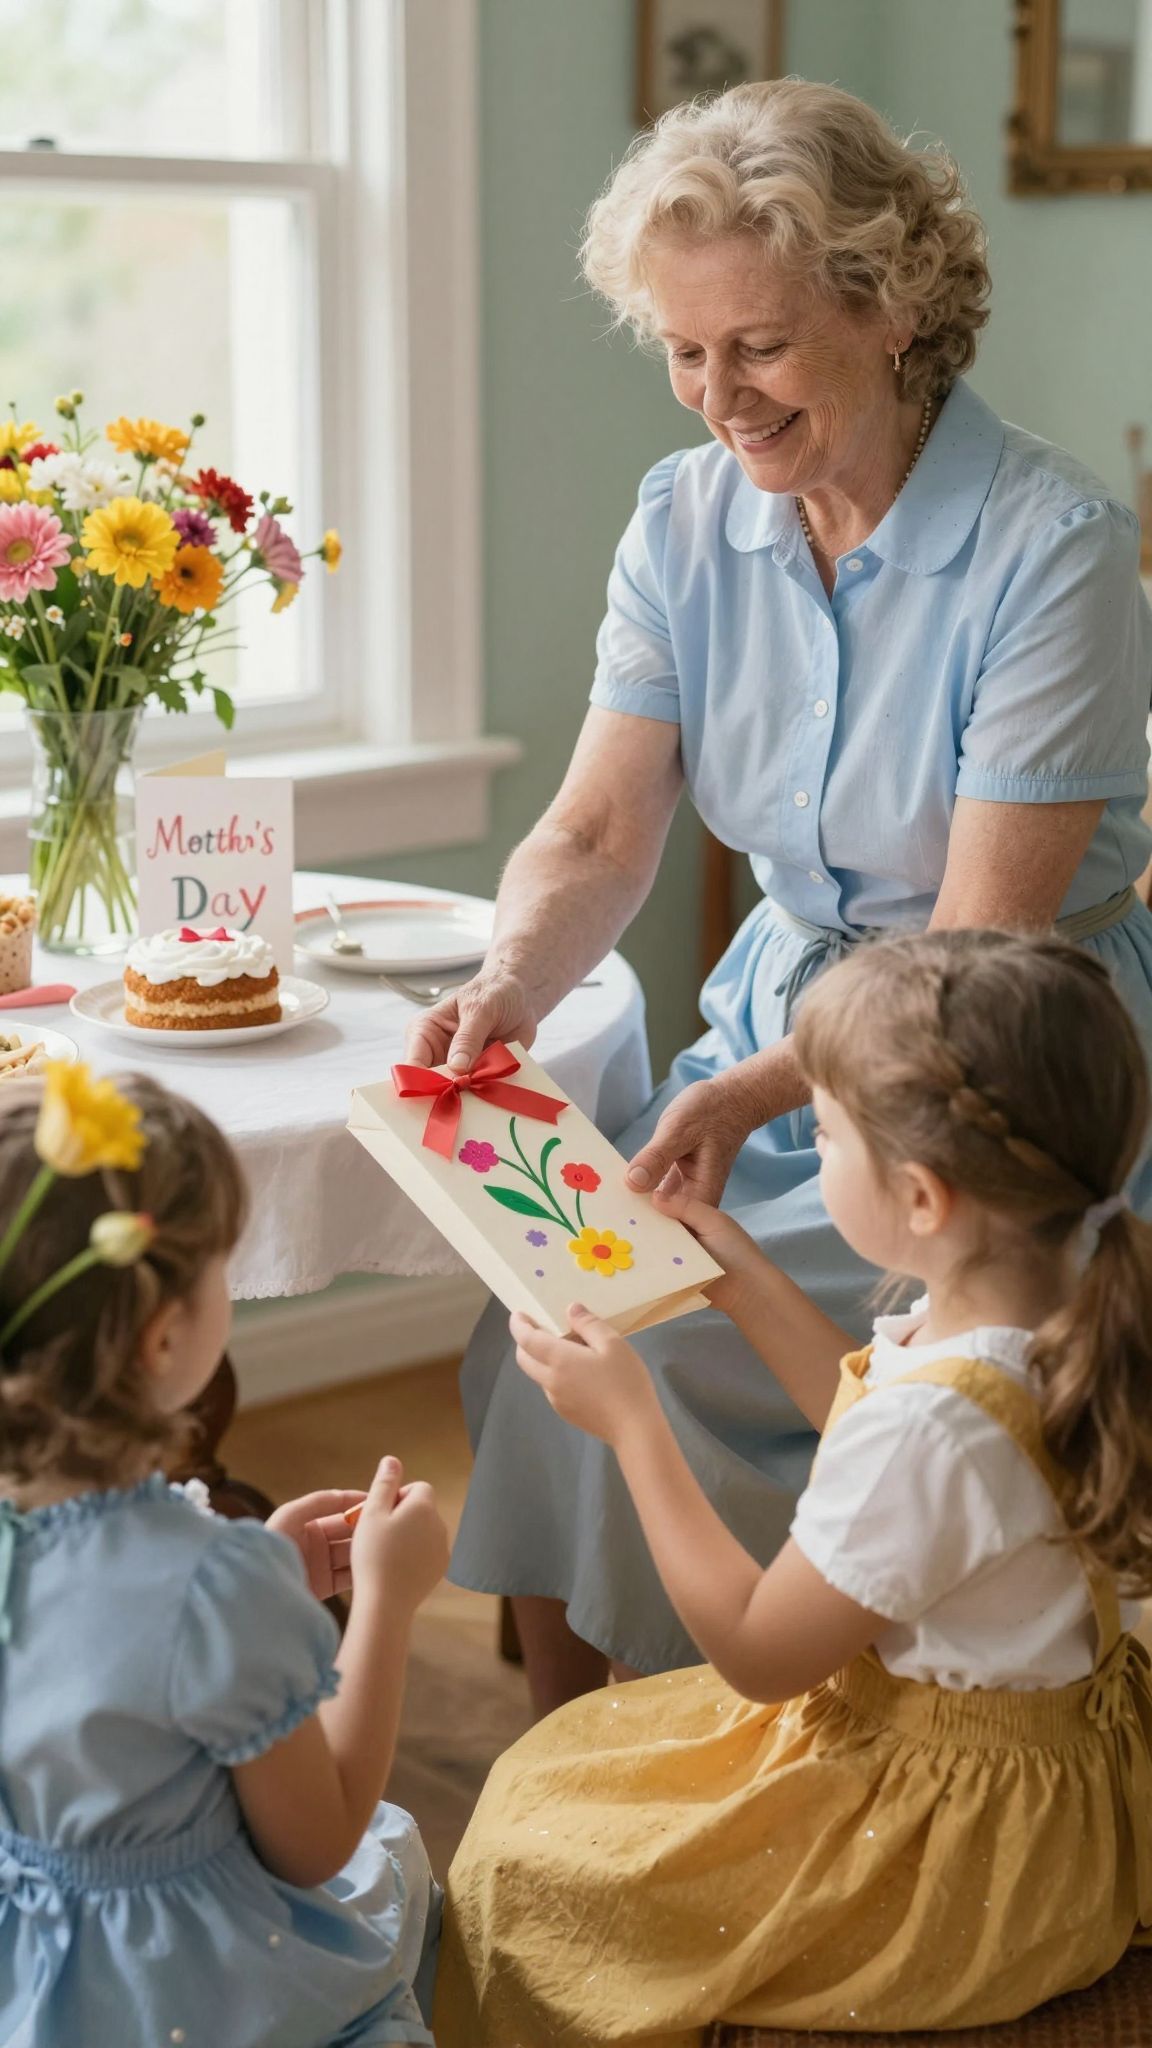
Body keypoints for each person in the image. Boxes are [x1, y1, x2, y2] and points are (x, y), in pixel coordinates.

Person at [407, 78, 1152, 1713]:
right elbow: (598, 833)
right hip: (785, 1034)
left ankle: (780, 1728)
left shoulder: (1053, 549)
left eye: (754, 344)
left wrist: (750, 1094)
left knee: (656, 1349)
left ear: (886, 309)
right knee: (544, 1320)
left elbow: (970, 951)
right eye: (682, 351)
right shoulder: (683, 519)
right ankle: (579, 1763)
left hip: (992, 1074)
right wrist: (512, 982)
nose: (713, 397)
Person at [434, 929, 1152, 2046]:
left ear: (921, 1196)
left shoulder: (940, 1428)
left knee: (530, 1862)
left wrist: (635, 1426)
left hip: (944, 1854)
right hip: (1036, 1769)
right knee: (571, 1783)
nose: (807, 1156)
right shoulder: (1047, 1308)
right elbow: (877, 1421)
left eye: (819, 1135)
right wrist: (734, 1273)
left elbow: (761, 1652)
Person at [0, 1067, 449, 2048]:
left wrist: (258, 1570)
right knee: (394, 1859)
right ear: (165, 1339)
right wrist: (385, 1599)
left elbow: (104, 1672)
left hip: (33, 1968)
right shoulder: (210, 1583)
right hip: (189, 1986)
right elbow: (316, 1837)